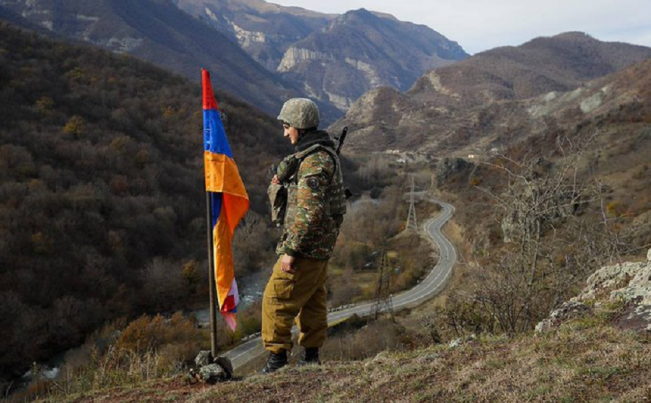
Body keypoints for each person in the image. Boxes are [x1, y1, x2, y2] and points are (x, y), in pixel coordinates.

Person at [260, 98, 346, 373]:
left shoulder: (314, 161)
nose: (285, 133)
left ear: (300, 126)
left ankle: (277, 361)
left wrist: (291, 251)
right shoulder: (316, 155)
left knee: (276, 298)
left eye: (287, 127)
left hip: (306, 247)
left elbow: (309, 211)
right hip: (319, 247)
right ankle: (310, 357)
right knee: (312, 300)